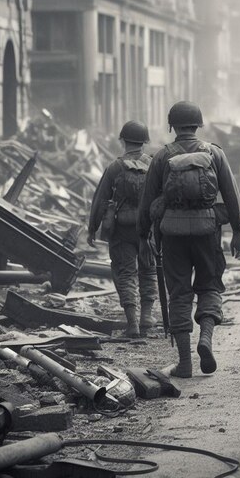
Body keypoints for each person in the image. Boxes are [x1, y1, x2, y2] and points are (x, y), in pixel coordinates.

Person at [138, 101, 240, 378]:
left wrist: (142, 237)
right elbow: (232, 196)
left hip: (172, 235)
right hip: (207, 232)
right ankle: (206, 338)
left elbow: (147, 201)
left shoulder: (162, 157)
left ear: (172, 125)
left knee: (179, 295)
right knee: (209, 286)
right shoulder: (214, 153)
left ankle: (185, 364)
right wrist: (238, 231)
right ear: (198, 124)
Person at [88, 120, 157, 338]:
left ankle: (132, 324)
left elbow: (100, 200)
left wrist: (92, 228)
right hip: (148, 229)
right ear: (144, 142)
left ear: (123, 140)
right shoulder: (154, 165)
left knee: (125, 273)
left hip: (122, 229)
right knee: (149, 270)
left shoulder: (115, 167)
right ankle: (147, 316)